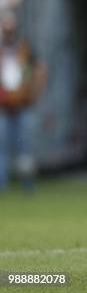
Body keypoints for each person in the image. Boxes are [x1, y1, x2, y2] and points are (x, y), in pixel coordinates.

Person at [0, 10, 46, 192]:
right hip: (3, 106)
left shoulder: (25, 49)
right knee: (2, 148)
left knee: (25, 148)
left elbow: (41, 70)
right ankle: (2, 185)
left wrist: (35, 93)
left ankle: (28, 185)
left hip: (23, 104)